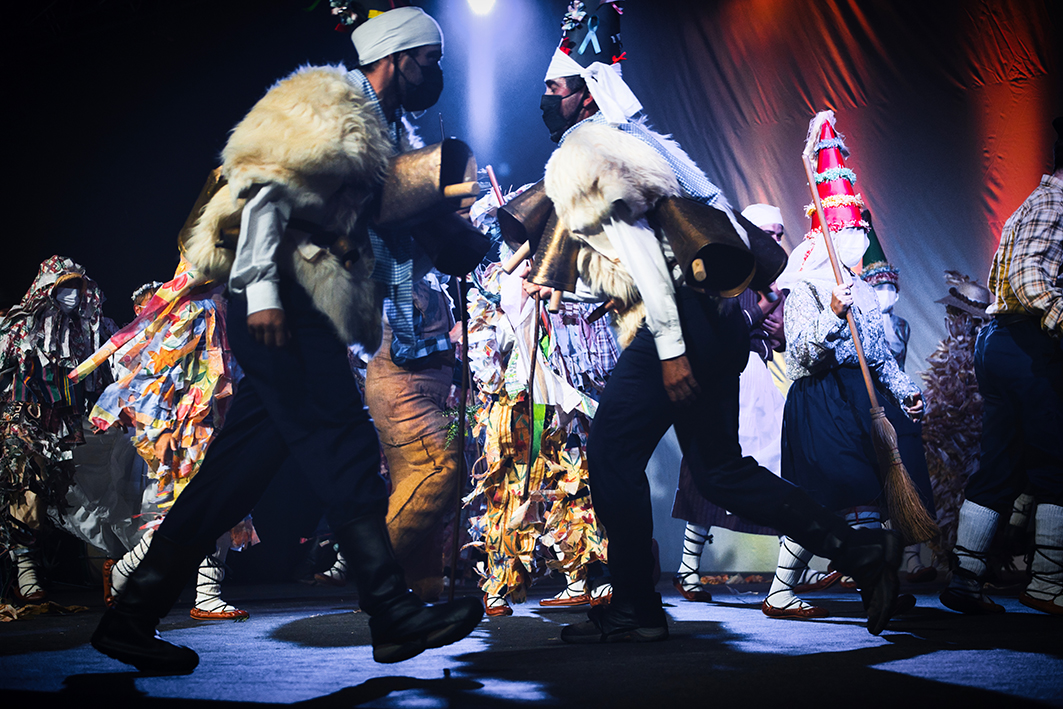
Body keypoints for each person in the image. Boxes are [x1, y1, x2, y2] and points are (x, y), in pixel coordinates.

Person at [88, 6, 482, 674]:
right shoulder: (331, 106)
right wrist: (265, 292)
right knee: (345, 447)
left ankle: (129, 618)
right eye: (429, 60)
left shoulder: (380, 128)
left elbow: (384, 220)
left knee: (227, 482)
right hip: (284, 304)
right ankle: (391, 613)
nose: (435, 73)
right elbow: (262, 190)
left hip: (305, 309)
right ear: (396, 58)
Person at [529, 4, 903, 643]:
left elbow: (647, 254)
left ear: (584, 98)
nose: (545, 101)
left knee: (613, 452)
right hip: (714, 319)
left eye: (553, 90)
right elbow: (706, 228)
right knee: (721, 471)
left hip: (675, 325)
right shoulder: (645, 144)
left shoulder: (583, 152)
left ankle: (636, 609)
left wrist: (670, 350)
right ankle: (862, 553)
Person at [762, 113, 932, 620]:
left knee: (871, 494)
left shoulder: (858, 283)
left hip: (861, 397)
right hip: (821, 402)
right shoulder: (807, 284)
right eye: (852, 234)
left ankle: (869, 585)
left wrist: (905, 389)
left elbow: (878, 351)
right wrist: (834, 313)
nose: (859, 242)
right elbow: (803, 354)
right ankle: (834, 586)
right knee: (839, 493)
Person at [939, 117, 1062, 616]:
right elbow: (1030, 275)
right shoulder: (1056, 203)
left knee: (1001, 464)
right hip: (1028, 344)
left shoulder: (1031, 203)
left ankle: (966, 578)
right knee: (1057, 465)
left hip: (1001, 344)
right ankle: (1049, 584)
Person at [90, 271, 255, 620]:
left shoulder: (234, 308)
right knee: (193, 510)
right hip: (191, 429)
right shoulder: (195, 310)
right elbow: (158, 369)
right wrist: (163, 428)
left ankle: (200, 592)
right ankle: (130, 572)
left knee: (224, 507)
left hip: (224, 424)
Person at [0, 256, 113, 603]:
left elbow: (103, 375)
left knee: (79, 493)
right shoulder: (17, 327)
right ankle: (25, 569)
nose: (71, 294)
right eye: (64, 286)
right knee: (27, 489)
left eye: (76, 287)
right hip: (26, 420)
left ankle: (110, 565)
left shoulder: (89, 329)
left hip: (69, 424)